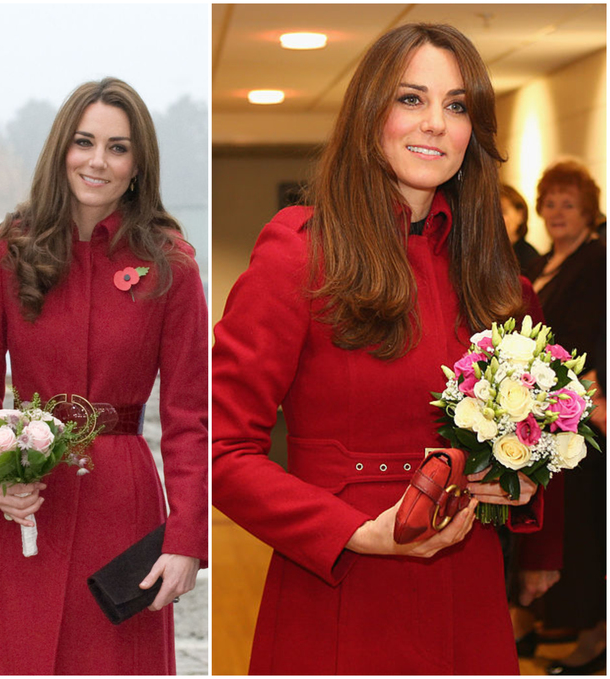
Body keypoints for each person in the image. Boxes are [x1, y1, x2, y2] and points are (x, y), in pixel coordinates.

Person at [213, 23, 556, 675]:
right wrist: (349, 532)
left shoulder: (499, 282)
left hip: (470, 595)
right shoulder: (301, 256)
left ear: (473, 131)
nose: (434, 124)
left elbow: (529, 447)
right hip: (344, 586)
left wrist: (517, 477)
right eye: (410, 99)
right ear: (369, 112)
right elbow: (221, 448)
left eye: (456, 105)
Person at [0, 77, 208, 675]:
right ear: (61, 148)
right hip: (27, 499)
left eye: (118, 147)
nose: (98, 161)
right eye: (84, 142)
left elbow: (189, 417)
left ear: (138, 163)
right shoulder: (4, 254)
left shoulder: (171, 264)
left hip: (125, 504)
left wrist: (187, 539)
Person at [519, 160, 606, 675]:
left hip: (581, 416)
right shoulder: (546, 262)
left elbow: (584, 339)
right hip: (550, 415)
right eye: (549, 202)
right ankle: (572, 626)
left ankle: (595, 640)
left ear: (589, 212)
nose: (555, 212)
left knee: (588, 532)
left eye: (567, 204)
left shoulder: (596, 261)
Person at [501, 184, 540, 277]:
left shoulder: (529, 258)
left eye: (503, 212)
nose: (495, 218)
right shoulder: (482, 255)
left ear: (520, 215)